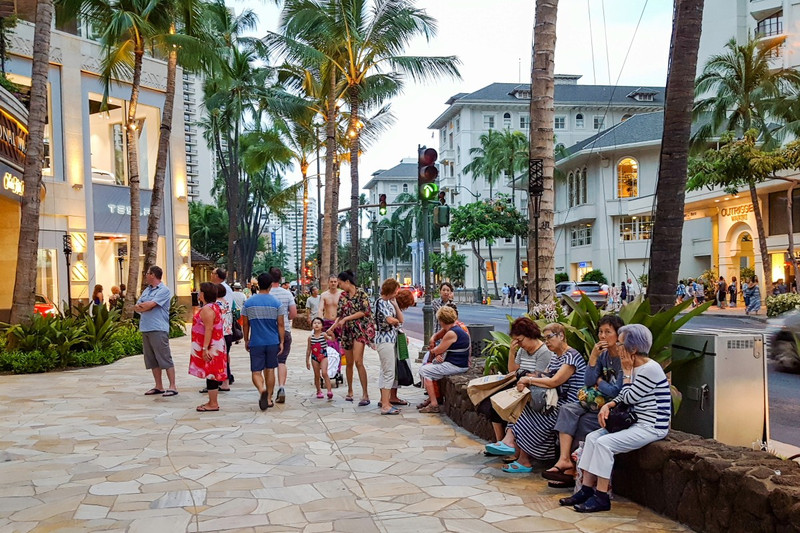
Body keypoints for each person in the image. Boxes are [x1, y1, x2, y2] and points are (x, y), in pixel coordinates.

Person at [562, 324, 670, 513]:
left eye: (620, 344)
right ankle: (585, 489)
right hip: (635, 422)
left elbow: (629, 396)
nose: (617, 348)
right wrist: (608, 405)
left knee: (605, 444)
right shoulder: (633, 367)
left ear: (633, 349)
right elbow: (622, 396)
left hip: (651, 426)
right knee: (591, 438)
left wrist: (627, 374)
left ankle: (602, 496)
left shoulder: (649, 369)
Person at [487, 322, 586, 473]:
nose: (547, 342)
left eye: (549, 338)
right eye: (545, 338)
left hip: (569, 403)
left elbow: (555, 381)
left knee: (537, 414)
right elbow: (544, 374)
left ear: (561, 336)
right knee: (525, 406)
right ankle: (514, 448)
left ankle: (516, 449)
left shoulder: (571, 356)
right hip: (555, 400)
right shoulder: (555, 356)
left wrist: (529, 380)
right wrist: (526, 380)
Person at [543, 315, 624, 486]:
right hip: (595, 400)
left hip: (612, 405)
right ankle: (564, 459)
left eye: (608, 332)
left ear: (619, 335)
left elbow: (617, 390)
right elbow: (588, 381)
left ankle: (574, 469)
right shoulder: (603, 356)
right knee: (567, 409)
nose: (602, 336)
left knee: (584, 422)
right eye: (600, 332)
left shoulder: (623, 358)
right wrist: (593, 357)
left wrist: (599, 382)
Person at [481, 317, 553, 446]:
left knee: (510, 406)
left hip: (531, 388)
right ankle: (500, 441)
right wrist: (512, 352)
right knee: (491, 403)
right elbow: (512, 370)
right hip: (519, 384)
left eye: (520, 340)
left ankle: (508, 443)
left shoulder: (543, 352)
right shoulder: (522, 350)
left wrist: (523, 376)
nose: (519, 344)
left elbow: (539, 376)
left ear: (530, 335)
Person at [327, 270, 374, 405]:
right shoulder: (343, 296)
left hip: (359, 330)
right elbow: (340, 316)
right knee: (348, 362)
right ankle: (350, 390)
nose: (340, 286)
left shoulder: (361, 294)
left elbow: (364, 312)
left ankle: (365, 394)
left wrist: (347, 318)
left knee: (359, 361)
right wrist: (331, 328)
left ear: (347, 282)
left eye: (341, 283)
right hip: (346, 331)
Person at [241, 272, 285, 411]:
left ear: (258, 284)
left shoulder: (249, 303)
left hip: (256, 341)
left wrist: (246, 339)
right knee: (270, 369)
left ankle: (261, 390)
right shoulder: (276, 303)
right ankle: (269, 398)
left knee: (256, 371)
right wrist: (282, 341)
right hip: (272, 341)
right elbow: (281, 324)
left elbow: (245, 324)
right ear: (271, 285)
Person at [416, 305, 471, 414]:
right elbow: (437, 338)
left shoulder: (451, 333)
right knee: (431, 369)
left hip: (456, 365)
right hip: (458, 363)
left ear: (441, 320)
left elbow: (438, 350)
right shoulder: (455, 328)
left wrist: (432, 350)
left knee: (425, 370)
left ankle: (434, 404)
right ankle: (434, 398)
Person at [136, 266, 178, 397]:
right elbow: (137, 306)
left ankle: (172, 386)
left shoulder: (164, 290)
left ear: (153, 275)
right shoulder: (146, 290)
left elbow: (149, 305)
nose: (146, 275)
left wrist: (145, 306)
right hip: (146, 327)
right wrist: (144, 306)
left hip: (158, 328)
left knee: (164, 357)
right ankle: (158, 386)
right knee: (152, 359)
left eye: (147, 273)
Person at [190, 282, 228, 412]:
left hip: (212, 346)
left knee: (211, 373)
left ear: (204, 294)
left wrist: (204, 348)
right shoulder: (214, 307)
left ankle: (213, 403)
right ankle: (212, 401)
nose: (199, 294)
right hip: (214, 344)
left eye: (201, 291)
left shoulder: (208, 309)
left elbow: (209, 328)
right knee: (210, 372)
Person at [373, 279, 405, 415]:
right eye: (396, 290)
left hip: (390, 339)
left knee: (385, 370)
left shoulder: (389, 303)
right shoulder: (380, 302)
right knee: (389, 372)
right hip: (384, 339)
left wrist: (396, 305)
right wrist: (396, 322)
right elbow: (390, 320)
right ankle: (385, 405)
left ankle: (385, 400)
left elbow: (400, 319)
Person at [211, 268, 235, 384]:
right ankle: (226, 376)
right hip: (225, 329)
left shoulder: (224, 290)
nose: (211, 275)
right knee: (224, 354)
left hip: (222, 330)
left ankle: (224, 378)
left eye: (213, 273)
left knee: (222, 355)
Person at [306, 317, 333, 400]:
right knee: (317, 375)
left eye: (319, 323)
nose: (316, 324)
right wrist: (307, 360)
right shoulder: (310, 337)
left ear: (322, 326)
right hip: (314, 357)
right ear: (312, 325)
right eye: (315, 323)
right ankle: (318, 391)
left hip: (323, 356)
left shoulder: (323, 335)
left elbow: (332, 340)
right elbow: (309, 349)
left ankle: (329, 390)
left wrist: (332, 335)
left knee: (324, 373)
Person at [321, 276, 342, 354]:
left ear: (337, 283)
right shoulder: (324, 295)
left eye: (335, 282)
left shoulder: (342, 294)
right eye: (331, 282)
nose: (333, 283)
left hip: (338, 323)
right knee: (327, 344)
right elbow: (320, 309)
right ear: (328, 283)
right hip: (327, 322)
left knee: (339, 346)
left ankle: (337, 364)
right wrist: (319, 321)